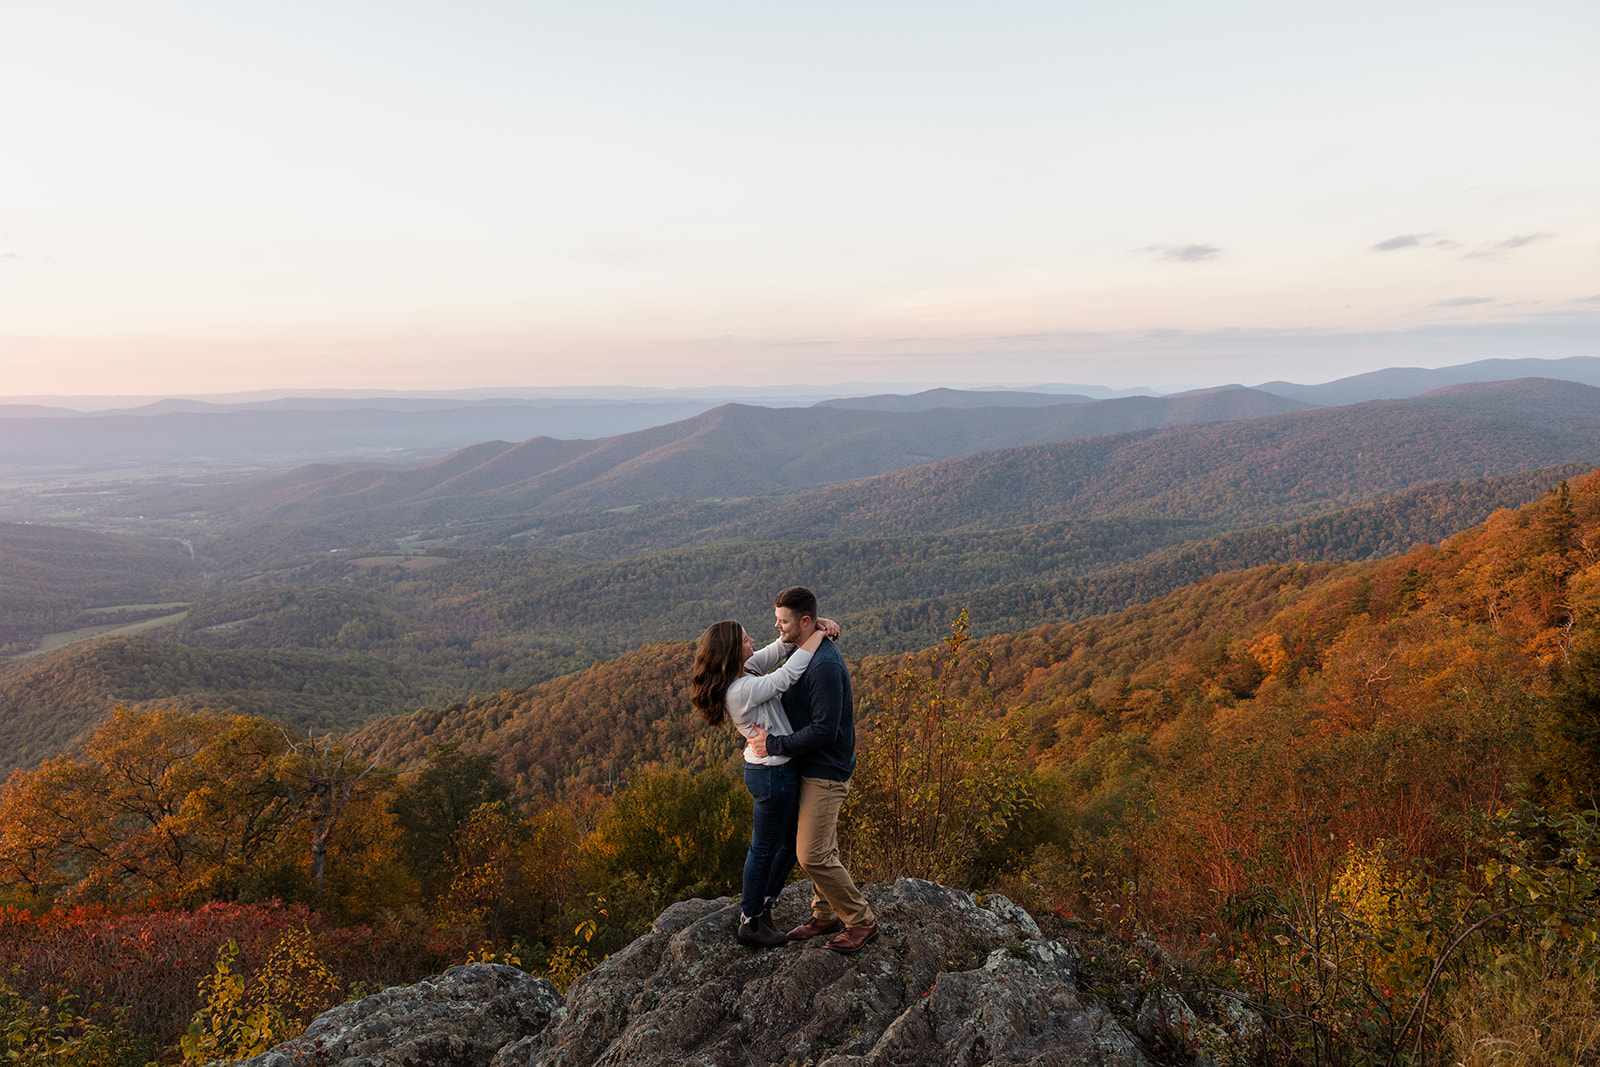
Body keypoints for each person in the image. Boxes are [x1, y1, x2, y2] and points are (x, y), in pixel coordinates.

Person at [689, 616, 836, 948]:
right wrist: (820, 635)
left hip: (772, 768)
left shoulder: (744, 671)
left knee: (786, 843)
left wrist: (813, 625)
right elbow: (788, 674)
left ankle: (763, 905)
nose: (751, 640)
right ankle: (751, 920)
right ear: (731, 650)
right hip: (772, 773)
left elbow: (779, 649)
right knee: (765, 848)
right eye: (744, 639)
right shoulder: (739, 690)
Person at [750, 586, 878, 953]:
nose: (776, 627)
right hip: (808, 766)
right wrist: (823, 625)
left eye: (783, 621)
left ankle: (861, 921)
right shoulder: (803, 650)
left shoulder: (823, 665)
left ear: (804, 621)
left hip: (826, 770)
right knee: (823, 844)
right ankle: (825, 914)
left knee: (812, 854)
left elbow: (824, 730)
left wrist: (772, 745)